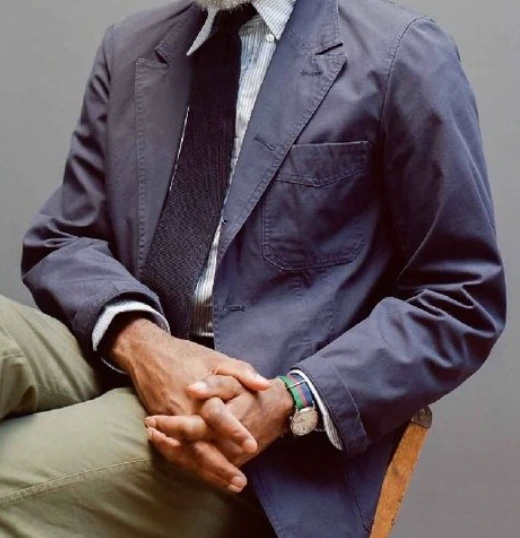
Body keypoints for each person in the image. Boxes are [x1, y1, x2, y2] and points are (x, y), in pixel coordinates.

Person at [0, 0, 506, 536]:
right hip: (118, 353)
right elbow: (65, 237)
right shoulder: (130, 45)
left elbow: (460, 297)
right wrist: (144, 346)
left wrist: (289, 400)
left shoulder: (402, 53)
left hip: (260, 441)